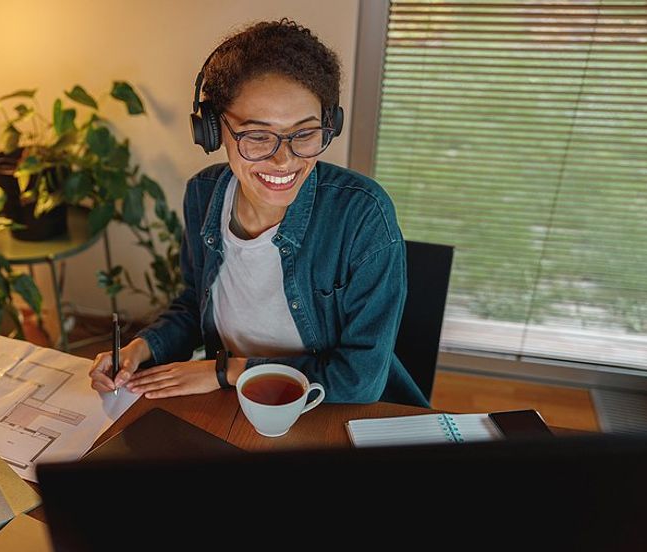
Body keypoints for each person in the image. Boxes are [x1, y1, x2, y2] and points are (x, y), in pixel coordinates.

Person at [89, 18, 426, 406]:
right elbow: (193, 305)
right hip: (240, 405)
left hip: (330, 413)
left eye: (304, 133)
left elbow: (358, 382)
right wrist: (141, 349)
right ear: (212, 132)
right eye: (257, 136)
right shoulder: (203, 195)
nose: (283, 160)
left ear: (328, 125)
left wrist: (227, 371)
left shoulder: (362, 215)